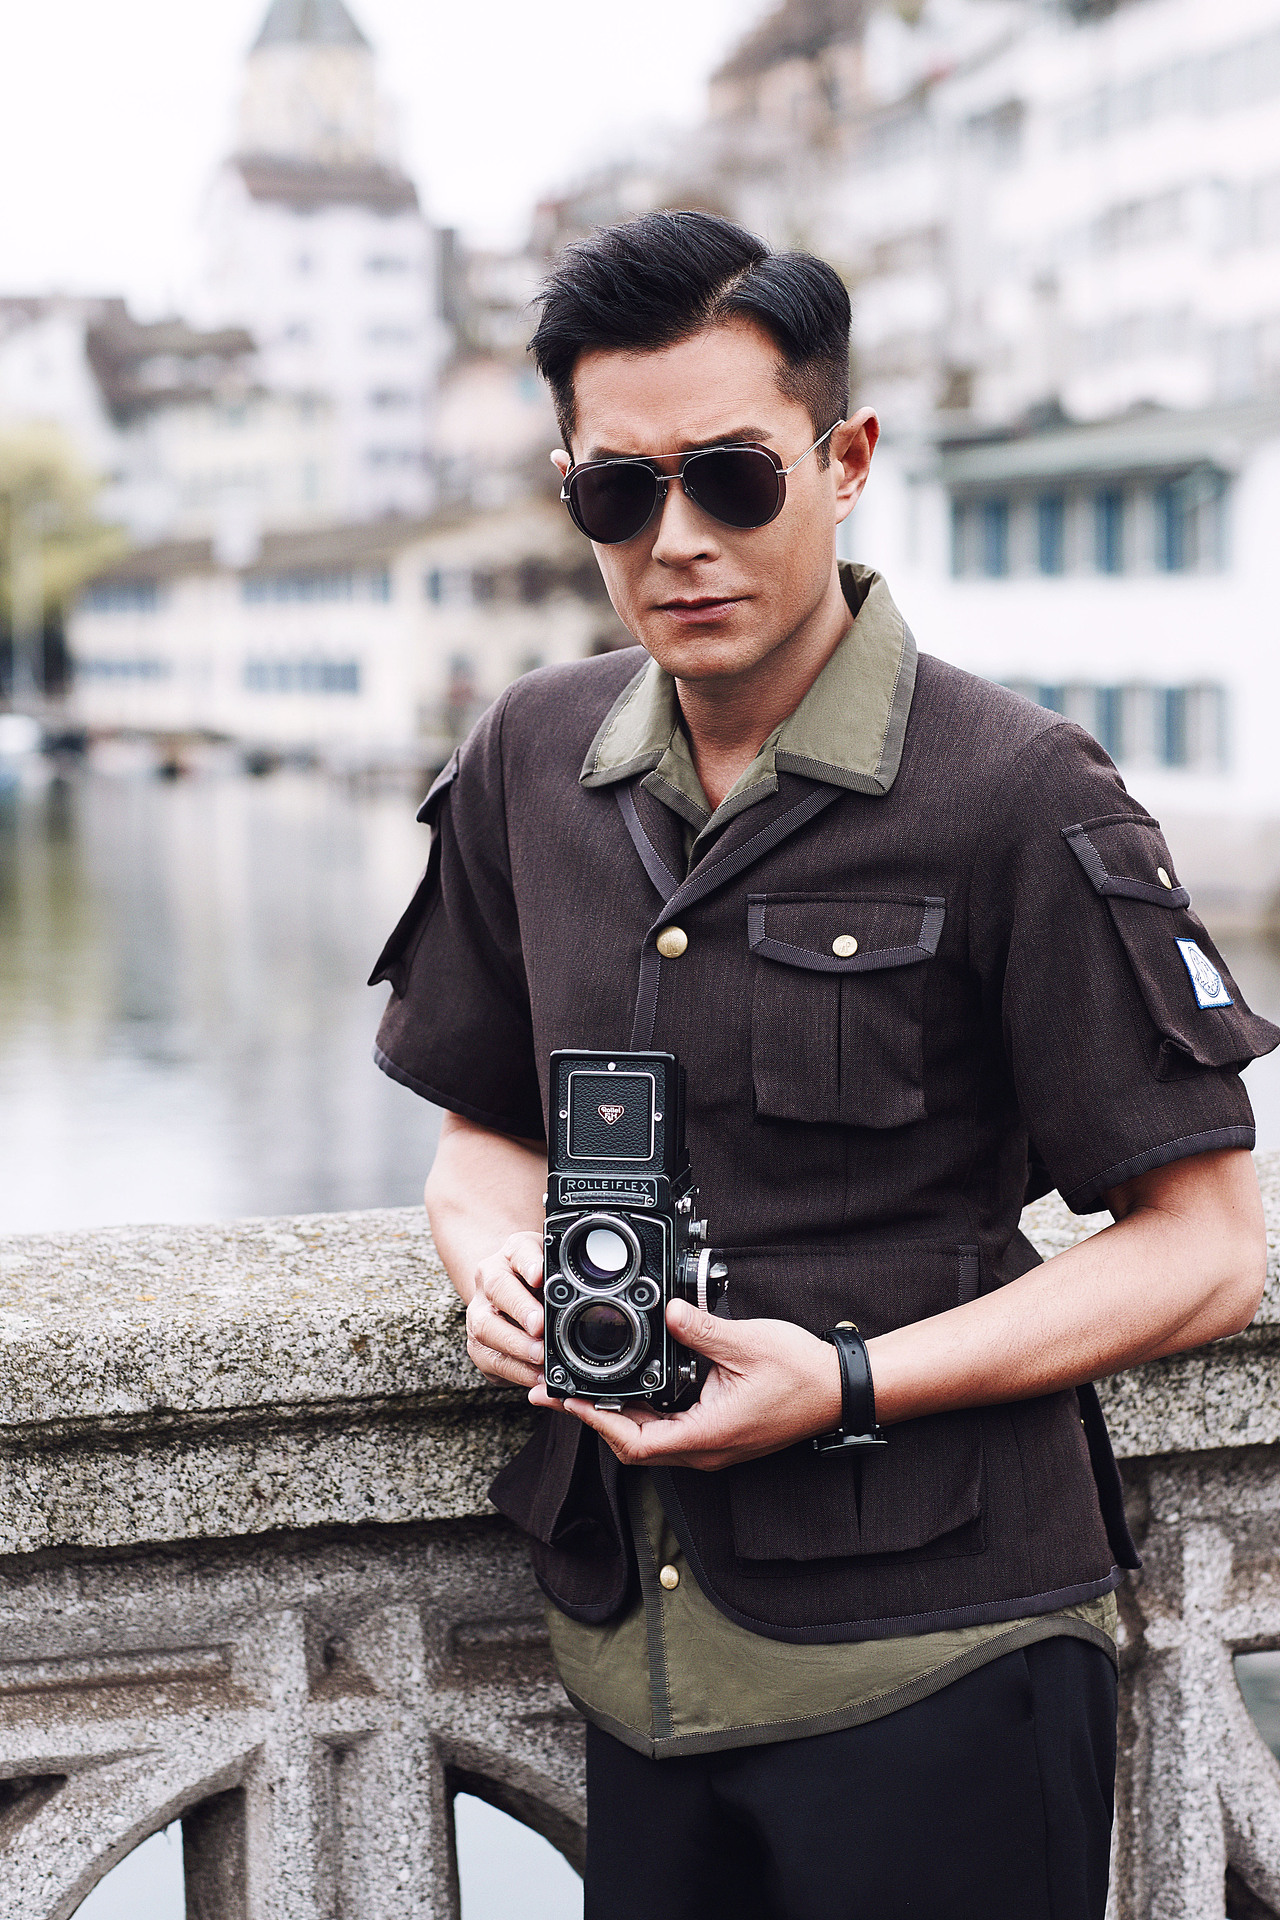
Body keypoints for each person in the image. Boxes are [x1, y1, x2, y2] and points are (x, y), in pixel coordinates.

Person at [370, 211, 1275, 1920]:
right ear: (572, 491)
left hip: (944, 1663)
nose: (679, 540)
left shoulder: (1018, 788)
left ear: (844, 460)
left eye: (733, 476)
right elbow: (484, 1129)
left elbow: (1211, 1247)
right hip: (630, 1656)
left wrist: (850, 1384)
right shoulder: (528, 758)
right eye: (619, 492)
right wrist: (491, 1263)